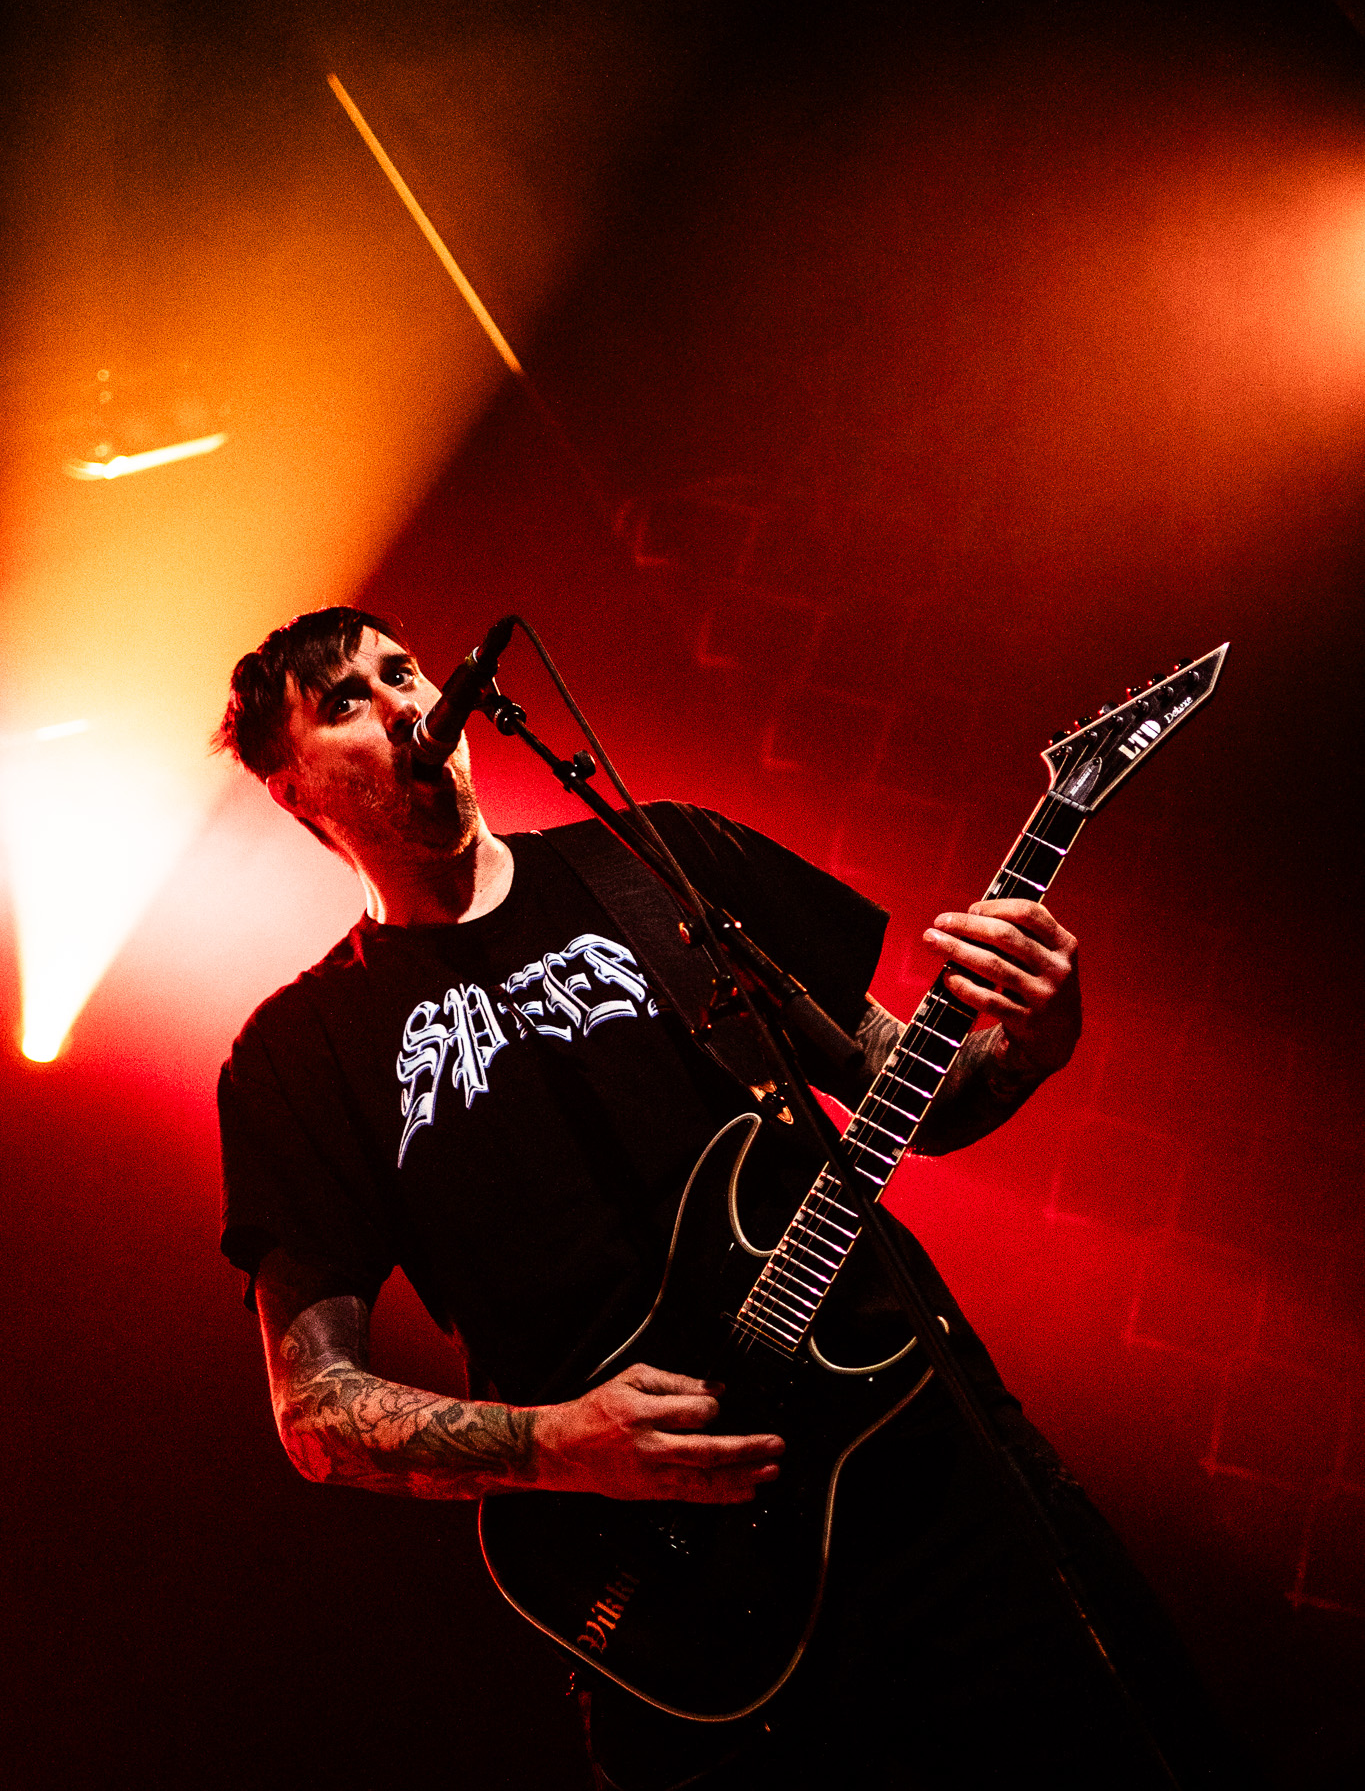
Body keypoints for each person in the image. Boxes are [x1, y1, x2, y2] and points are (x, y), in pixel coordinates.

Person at [215, 606, 1229, 1789]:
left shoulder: (660, 862)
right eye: (345, 700)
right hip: (682, 1592)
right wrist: (559, 1444)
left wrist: (1035, 1039)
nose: (401, 702)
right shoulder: (299, 1051)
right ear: (292, 789)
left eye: (403, 669)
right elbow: (317, 1410)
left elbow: (918, 1090)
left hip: (926, 1471)